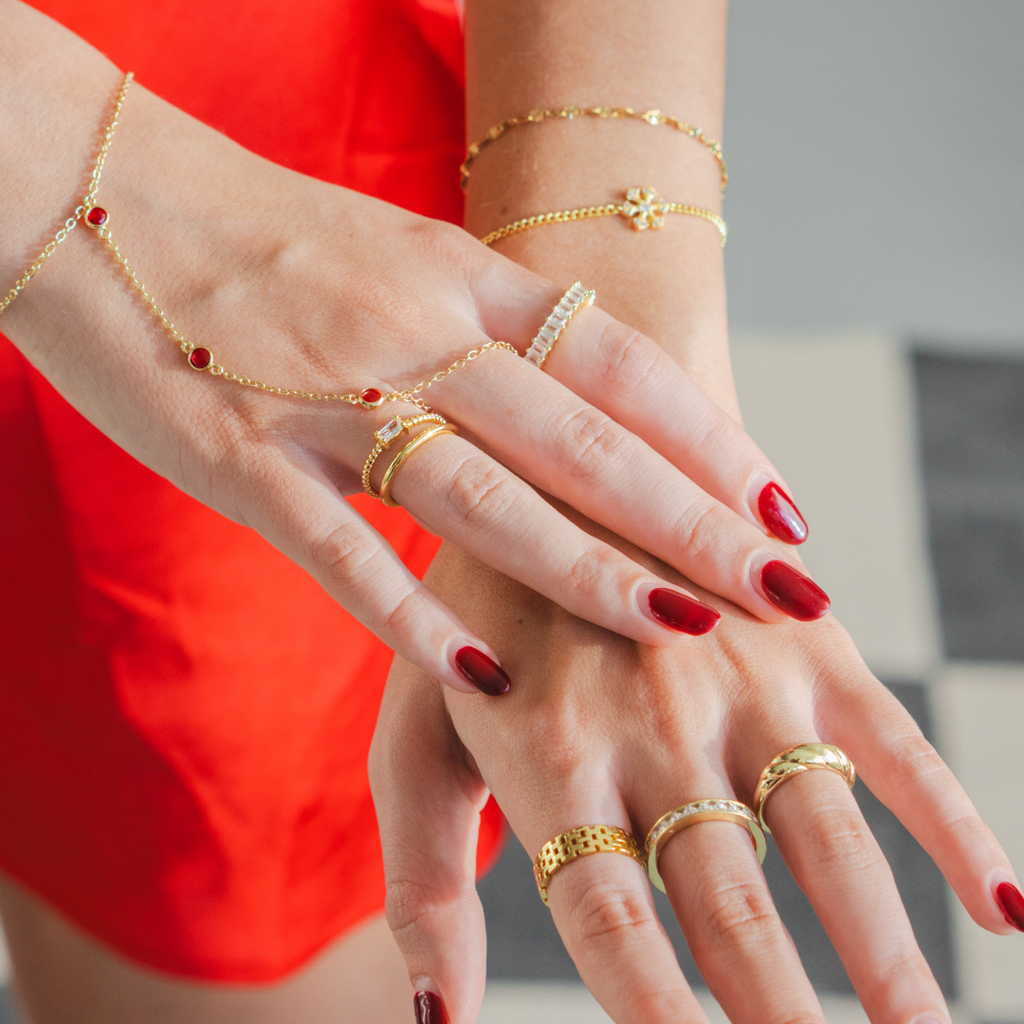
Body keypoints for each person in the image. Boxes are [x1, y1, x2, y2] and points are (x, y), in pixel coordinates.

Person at [0, 1, 1019, 1023]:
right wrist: (78, 176)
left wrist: (606, 331)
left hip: (256, 170)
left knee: (169, 858)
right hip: (142, 238)